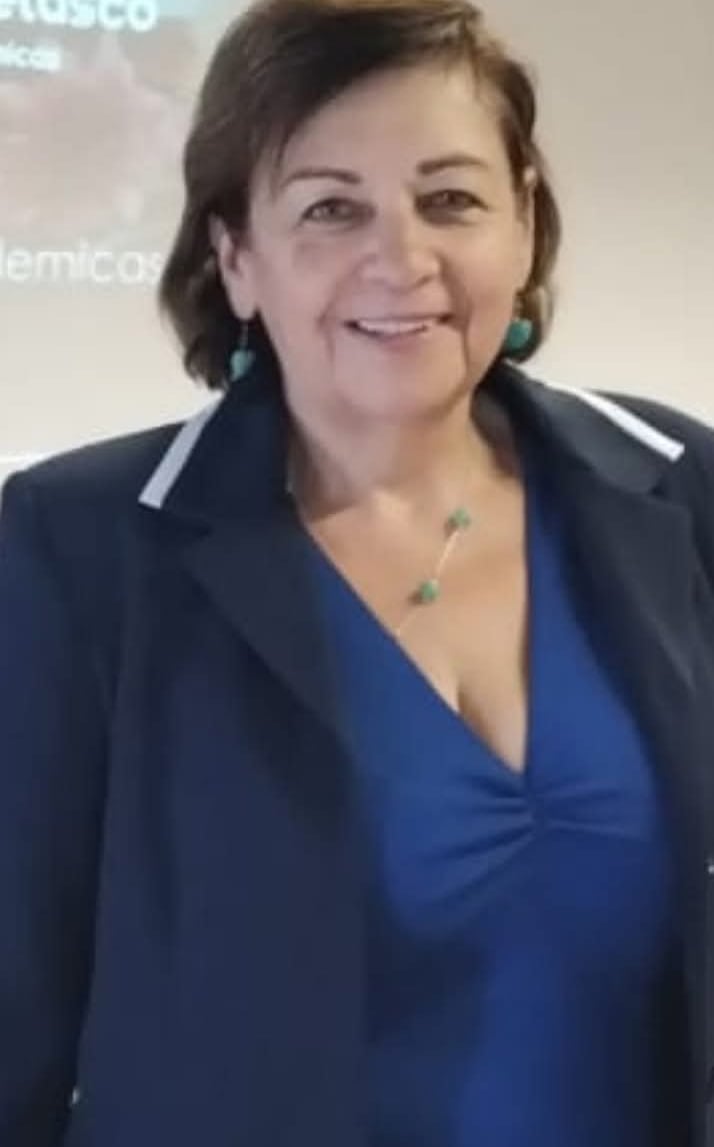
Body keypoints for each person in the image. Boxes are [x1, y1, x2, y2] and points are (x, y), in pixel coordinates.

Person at [1, 0, 712, 1144]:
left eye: (451, 199)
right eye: (331, 208)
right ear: (236, 257)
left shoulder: (680, 486)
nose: (402, 260)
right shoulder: (80, 546)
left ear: (524, 224)